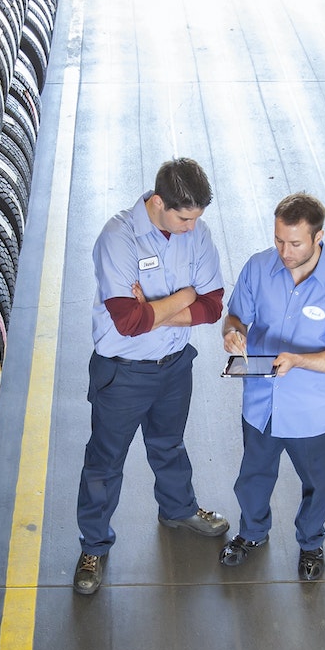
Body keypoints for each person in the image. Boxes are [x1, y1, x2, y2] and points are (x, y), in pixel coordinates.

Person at [73, 158, 231, 596]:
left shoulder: (197, 233)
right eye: (184, 217)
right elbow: (127, 320)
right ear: (158, 202)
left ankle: (178, 510)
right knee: (105, 462)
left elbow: (214, 304)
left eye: (197, 218)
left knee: (169, 444)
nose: (191, 227)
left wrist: (157, 311)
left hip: (174, 366)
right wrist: (184, 297)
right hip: (122, 373)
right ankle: (94, 545)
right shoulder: (117, 238)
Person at [219, 192, 325, 582]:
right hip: (261, 404)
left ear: (318, 237)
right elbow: (236, 316)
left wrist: (299, 360)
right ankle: (252, 534)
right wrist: (233, 333)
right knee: (253, 475)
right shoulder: (258, 267)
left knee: (316, 483)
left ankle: (310, 543)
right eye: (279, 241)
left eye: (295, 243)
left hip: (312, 412)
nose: (284, 251)